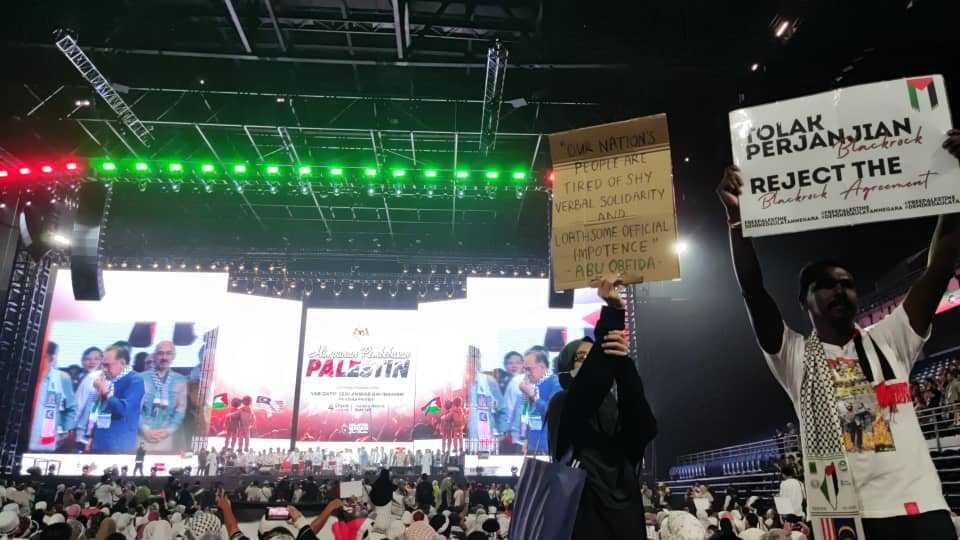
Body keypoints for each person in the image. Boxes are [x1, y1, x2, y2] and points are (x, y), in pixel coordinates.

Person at [718, 127, 960, 540]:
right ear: (804, 301)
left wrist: (955, 182)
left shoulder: (891, 337)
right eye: (827, 284)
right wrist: (737, 221)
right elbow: (752, 290)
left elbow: (938, 269)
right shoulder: (793, 355)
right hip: (848, 518)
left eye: (847, 283)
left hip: (920, 507)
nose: (840, 290)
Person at [544, 274, 657, 540]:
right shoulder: (562, 404)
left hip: (624, 519)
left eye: (593, 354)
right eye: (582, 357)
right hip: (584, 518)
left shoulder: (613, 405)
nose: (591, 361)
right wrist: (613, 318)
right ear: (565, 367)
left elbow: (644, 428)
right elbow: (587, 391)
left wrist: (623, 363)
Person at [90, 345, 145, 452]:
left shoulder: (135, 380)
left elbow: (123, 410)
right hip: (99, 442)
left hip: (120, 445)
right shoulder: (105, 379)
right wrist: (91, 437)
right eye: (102, 365)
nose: (104, 369)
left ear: (122, 363)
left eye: (107, 365)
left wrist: (105, 391)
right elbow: (96, 410)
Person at [510, 347, 561, 455]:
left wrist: (533, 396)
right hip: (533, 447)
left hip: (548, 449)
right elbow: (530, 417)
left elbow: (552, 413)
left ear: (542, 367)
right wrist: (527, 439)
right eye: (524, 369)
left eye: (529, 369)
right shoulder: (533, 385)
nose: (526, 373)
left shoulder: (555, 384)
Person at [139, 341, 187, 452]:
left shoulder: (180, 380)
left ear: (173, 356)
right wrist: (144, 429)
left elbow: (180, 410)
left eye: (168, 353)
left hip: (165, 437)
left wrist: (168, 431)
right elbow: (134, 409)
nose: (164, 357)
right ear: (155, 356)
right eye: (160, 353)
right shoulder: (140, 378)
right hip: (142, 436)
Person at [30, 342, 77, 452]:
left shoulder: (62, 378)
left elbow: (71, 407)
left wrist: (65, 430)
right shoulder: (24, 373)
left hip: (45, 442)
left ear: (50, 357)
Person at [73, 347, 105, 452]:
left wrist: (69, 427)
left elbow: (77, 406)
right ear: (82, 361)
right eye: (88, 359)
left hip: (85, 432)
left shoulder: (92, 377)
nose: (92, 362)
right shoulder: (80, 378)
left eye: (96, 359)